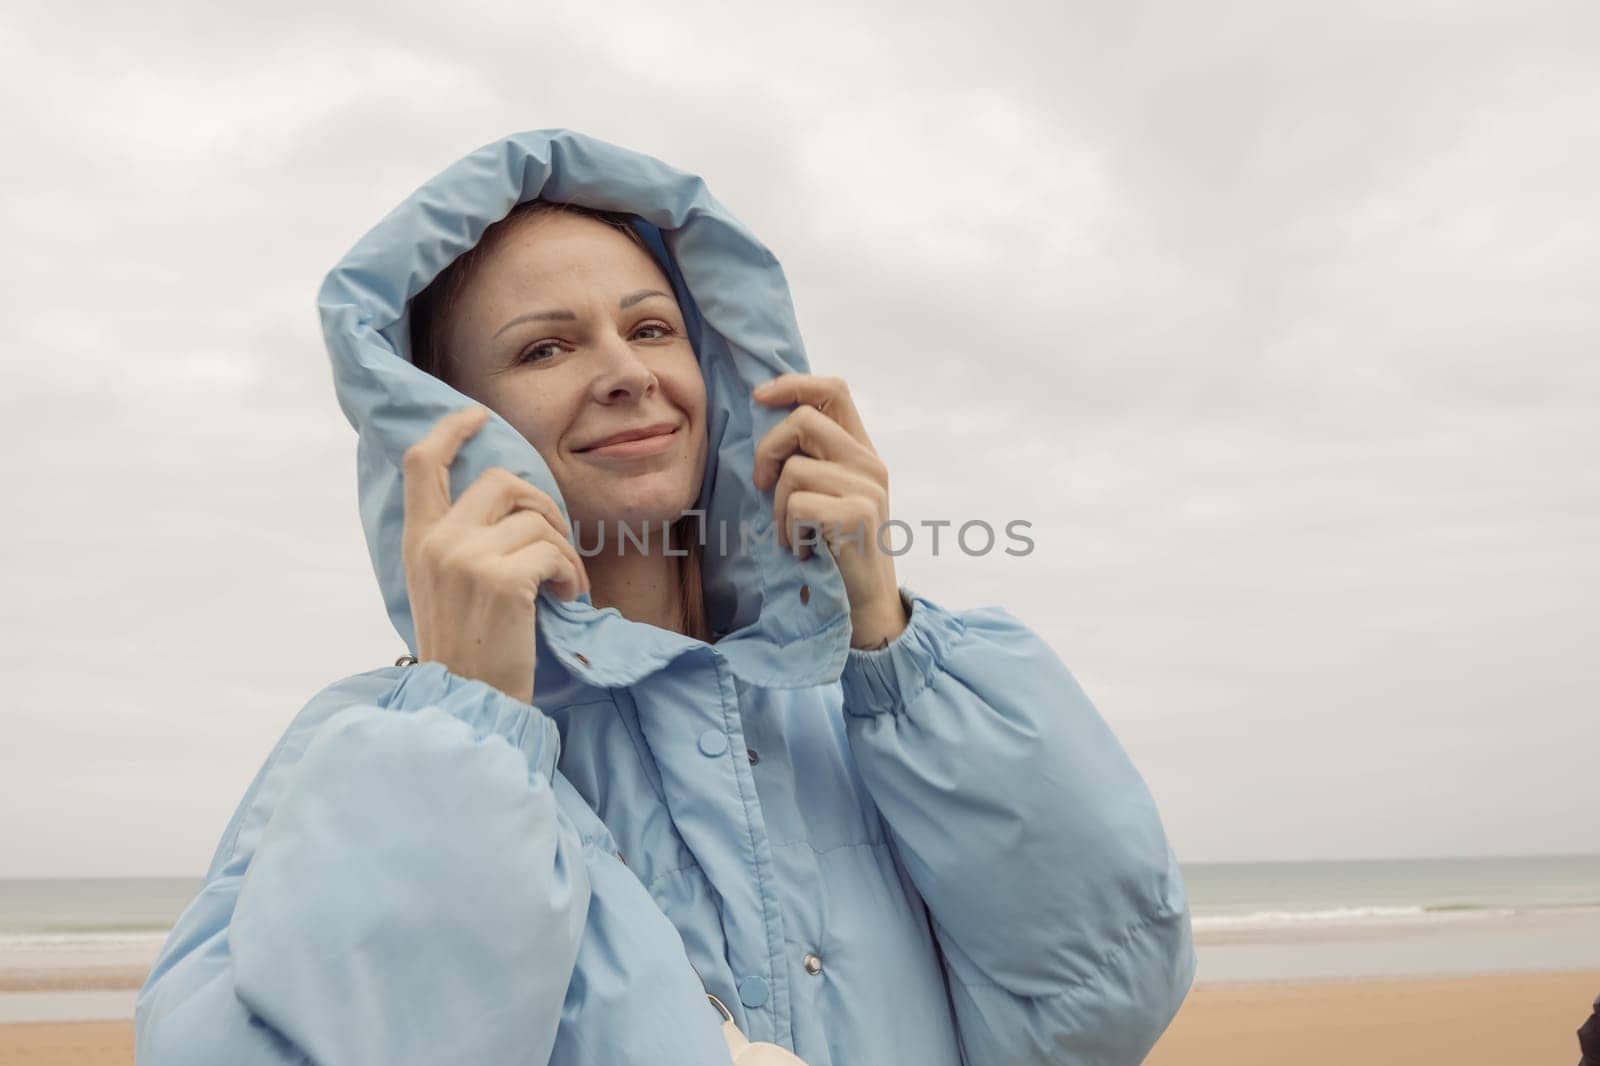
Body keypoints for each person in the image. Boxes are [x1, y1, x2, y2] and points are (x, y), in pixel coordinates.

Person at [133, 128, 1197, 1065]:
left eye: (650, 329)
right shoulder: (371, 752)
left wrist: (887, 633)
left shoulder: (863, 715)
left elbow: (1092, 1013)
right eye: (544, 347)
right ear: (444, 426)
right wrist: (463, 729)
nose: (624, 372)